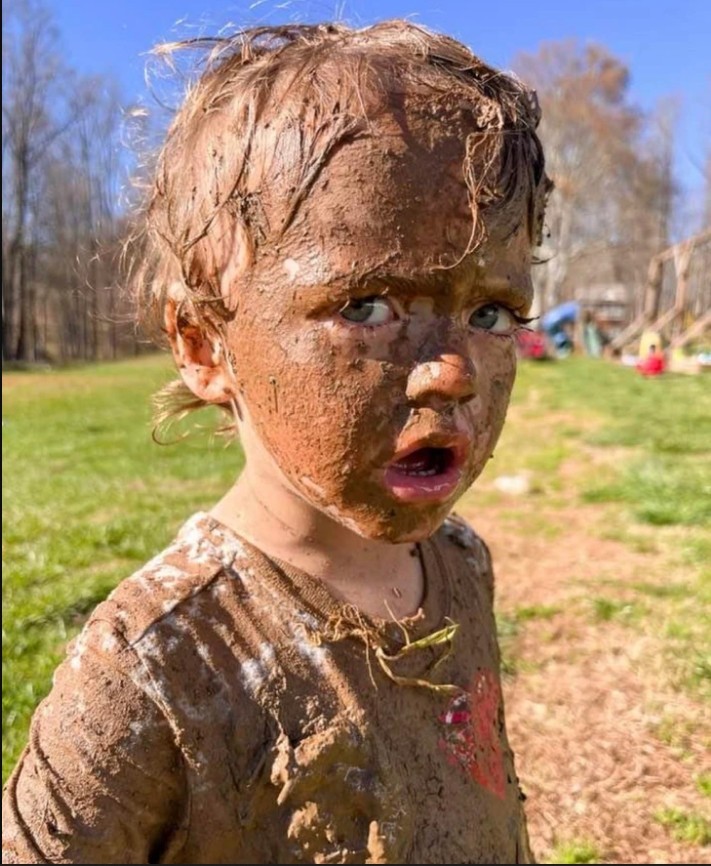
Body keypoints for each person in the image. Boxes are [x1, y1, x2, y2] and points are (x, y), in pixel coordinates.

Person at [2, 20, 551, 865]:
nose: (450, 372)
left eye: (490, 314)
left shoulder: (461, 567)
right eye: (367, 306)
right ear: (201, 346)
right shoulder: (157, 668)